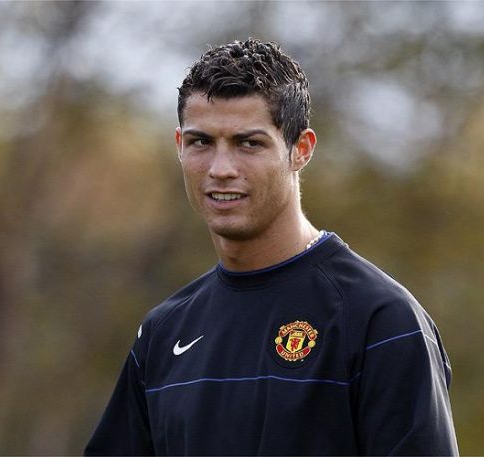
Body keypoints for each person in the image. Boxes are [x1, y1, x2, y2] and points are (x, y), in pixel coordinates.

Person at [85, 38, 459, 456]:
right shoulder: (163, 332)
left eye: (249, 143)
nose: (221, 169)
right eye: (201, 142)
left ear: (301, 150)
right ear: (179, 146)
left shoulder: (379, 320)